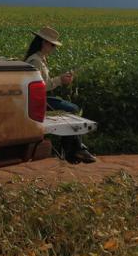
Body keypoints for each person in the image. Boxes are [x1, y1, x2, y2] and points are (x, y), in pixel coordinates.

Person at [24, 26, 97, 164]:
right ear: (44, 43)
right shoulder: (35, 61)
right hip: (36, 101)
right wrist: (60, 80)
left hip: (40, 98)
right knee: (72, 110)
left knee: (72, 109)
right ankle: (74, 150)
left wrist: (61, 80)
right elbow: (38, 86)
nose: (53, 48)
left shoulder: (40, 59)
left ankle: (73, 149)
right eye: (52, 45)